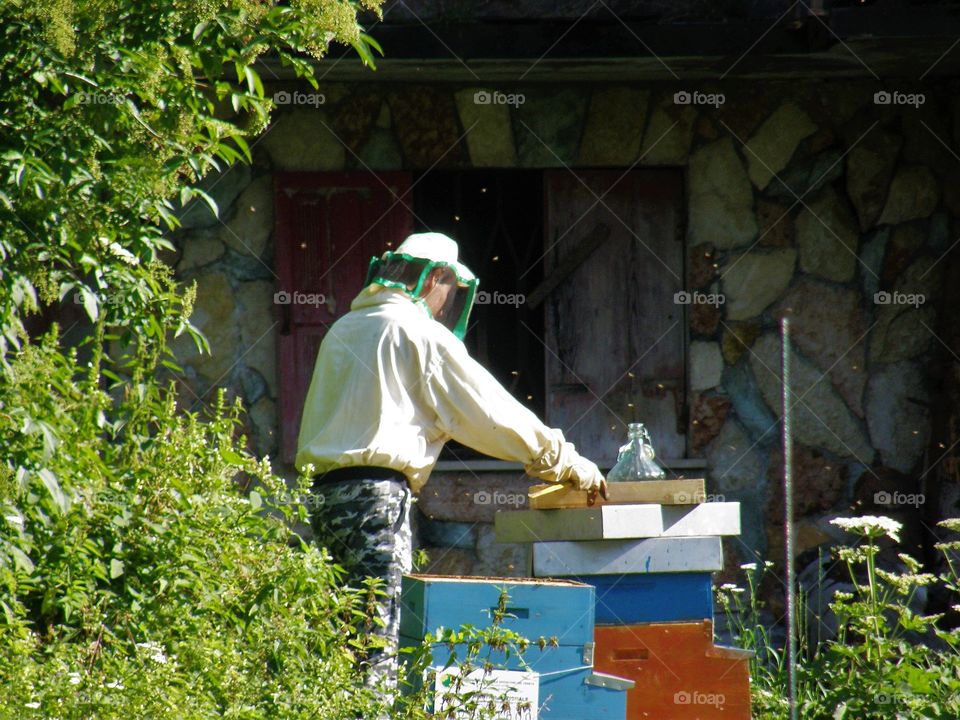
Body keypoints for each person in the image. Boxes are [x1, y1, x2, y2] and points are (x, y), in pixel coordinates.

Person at [295, 231, 607, 690]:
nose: (445, 305)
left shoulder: (344, 328)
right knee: (378, 645)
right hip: (377, 501)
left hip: (322, 500)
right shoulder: (415, 333)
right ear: (434, 278)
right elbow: (490, 413)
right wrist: (565, 461)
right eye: (448, 292)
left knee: (338, 638)